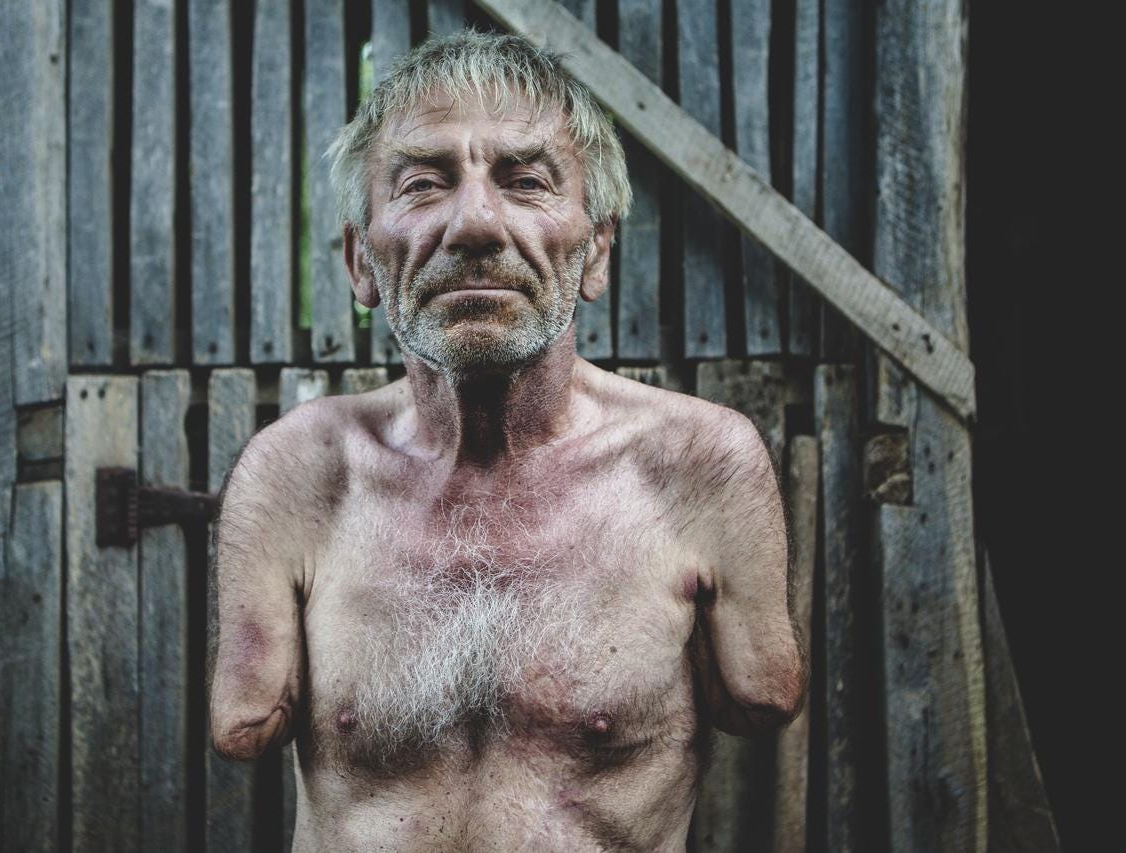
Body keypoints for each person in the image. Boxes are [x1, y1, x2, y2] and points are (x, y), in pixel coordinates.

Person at [208, 29, 805, 851]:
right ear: (361, 264)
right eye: (423, 183)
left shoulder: (701, 466)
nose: (477, 223)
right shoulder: (295, 472)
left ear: (596, 250)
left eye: (525, 181)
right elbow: (242, 722)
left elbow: (764, 695)